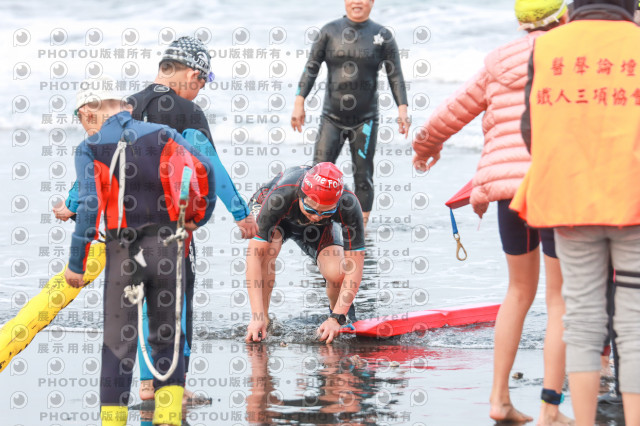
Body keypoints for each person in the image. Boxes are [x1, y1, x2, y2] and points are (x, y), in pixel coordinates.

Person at [56, 36, 258, 403]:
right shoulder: (187, 113)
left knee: (138, 304)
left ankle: (146, 385)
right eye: (204, 81)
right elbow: (209, 166)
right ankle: (172, 386)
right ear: (193, 74)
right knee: (175, 303)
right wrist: (241, 214)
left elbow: (97, 164)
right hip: (170, 230)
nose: (201, 89)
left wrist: (72, 204)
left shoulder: (125, 107)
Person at [412, 1, 570, 424]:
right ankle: (550, 409)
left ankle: (499, 399)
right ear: (563, 17)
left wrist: (425, 147)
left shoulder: (498, 61)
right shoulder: (569, 56)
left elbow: (452, 111)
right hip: (553, 184)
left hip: (506, 190)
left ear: (521, 22)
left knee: (518, 290)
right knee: (559, 298)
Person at [510, 0, 640, 424]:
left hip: (568, 200)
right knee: (634, 324)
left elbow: (531, 129)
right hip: (633, 201)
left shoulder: (547, 46)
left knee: (581, 319)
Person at [63, 77, 216, 426]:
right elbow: (204, 170)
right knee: (166, 338)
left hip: (124, 252)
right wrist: (197, 220)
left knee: (118, 344)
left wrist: (76, 262)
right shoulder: (164, 134)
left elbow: (89, 206)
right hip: (168, 249)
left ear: (88, 112)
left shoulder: (90, 147)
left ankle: (113, 422)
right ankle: (168, 419)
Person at [291, 0, 410, 227]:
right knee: (317, 173)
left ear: (372, 2)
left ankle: (360, 230)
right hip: (331, 117)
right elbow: (311, 67)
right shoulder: (329, 31)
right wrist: (299, 102)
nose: (357, 2)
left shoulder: (382, 36)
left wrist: (402, 109)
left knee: (363, 176)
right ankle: (315, 225)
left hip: (366, 120)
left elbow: (395, 74)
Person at [244, 163, 365, 345]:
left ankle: (339, 317)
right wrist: (257, 316)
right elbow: (254, 257)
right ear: (301, 195)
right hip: (276, 213)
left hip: (320, 229)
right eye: (311, 209)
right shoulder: (281, 195)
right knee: (267, 252)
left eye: (326, 211)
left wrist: (337, 317)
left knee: (338, 271)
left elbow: (355, 267)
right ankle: (264, 320)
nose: (316, 216)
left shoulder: (349, 204)